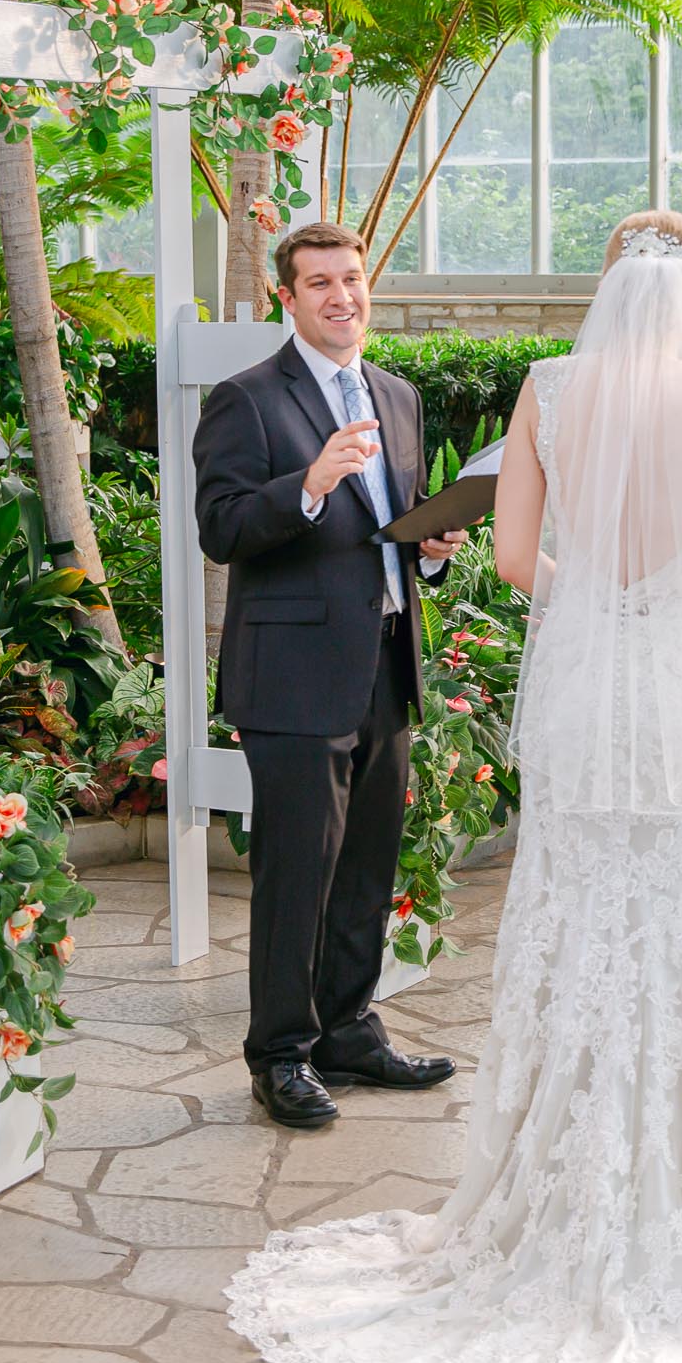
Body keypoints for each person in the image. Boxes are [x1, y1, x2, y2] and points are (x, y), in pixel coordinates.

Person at [226, 211, 682, 1363]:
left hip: (588, 683)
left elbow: (509, 556)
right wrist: (671, 595)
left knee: (576, 912)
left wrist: (595, 595)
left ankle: (550, 1170)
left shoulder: (549, 389)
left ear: (606, 288)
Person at [193, 221, 467, 1131]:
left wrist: (432, 549)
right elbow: (222, 528)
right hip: (294, 677)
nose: (342, 296)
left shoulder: (396, 394)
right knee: (295, 876)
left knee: (364, 869)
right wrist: (306, 485)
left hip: (385, 665)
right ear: (289, 297)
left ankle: (347, 1029)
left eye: (352, 279)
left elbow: (393, 530)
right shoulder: (247, 399)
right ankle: (279, 1054)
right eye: (321, 283)